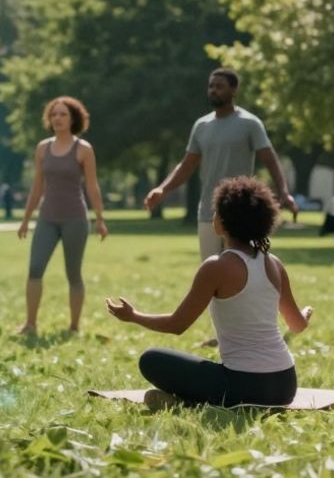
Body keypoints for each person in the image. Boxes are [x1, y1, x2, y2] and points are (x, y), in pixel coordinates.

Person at [107, 177, 313, 408]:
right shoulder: (274, 264)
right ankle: (190, 402)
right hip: (285, 386)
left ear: (223, 222)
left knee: (151, 359)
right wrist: (304, 314)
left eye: (216, 212)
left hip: (243, 386)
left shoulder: (216, 267)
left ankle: (187, 404)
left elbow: (177, 325)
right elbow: (297, 325)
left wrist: (134, 316)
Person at [144, 68, 298, 261]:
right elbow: (187, 164)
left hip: (240, 211)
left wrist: (284, 192)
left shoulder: (250, 123)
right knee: (210, 270)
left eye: (219, 86)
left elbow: (270, 159)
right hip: (209, 211)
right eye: (211, 86)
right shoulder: (201, 126)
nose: (213, 91)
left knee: (242, 270)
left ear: (234, 90)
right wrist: (162, 189)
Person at [17, 96, 108, 336]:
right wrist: (26, 219)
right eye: (54, 114)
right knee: (35, 269)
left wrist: (100, 218)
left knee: (73, 274)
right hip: (47, 218)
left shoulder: (83, 150)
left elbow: (92, 186)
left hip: (75, 219)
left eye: (63, 114)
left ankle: (74, 326)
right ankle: (30, 324)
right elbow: (37, 187)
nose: (57, 118)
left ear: (73, 119)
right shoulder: (42, 148)